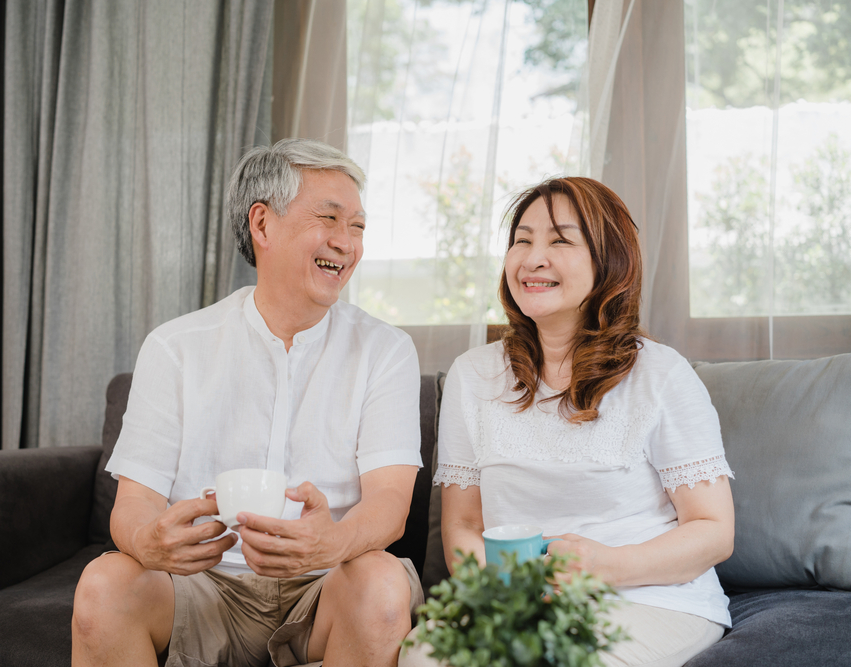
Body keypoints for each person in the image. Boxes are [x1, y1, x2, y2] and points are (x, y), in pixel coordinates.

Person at [71, 138, 425, 667]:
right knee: (104, 584)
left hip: (328, 586)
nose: (346, 243)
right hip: (203, 587)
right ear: (262, 224)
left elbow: (390, 503)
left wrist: (331, 543)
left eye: (357, 227)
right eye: (328, 218)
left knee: (380, 581)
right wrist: (151, 543)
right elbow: (134, 506)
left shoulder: (386, 349)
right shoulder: (175, 347)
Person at [403, 177, 735, 667]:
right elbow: (464, 525)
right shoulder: (473, 375)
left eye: (560, 240)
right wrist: (510, 590)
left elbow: (713, 530)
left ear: (609, 262)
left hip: (648, 597)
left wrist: (605, 567)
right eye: (522, 240)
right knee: (423, 659)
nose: (533, 258)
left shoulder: (661, 374)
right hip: (512, 602)